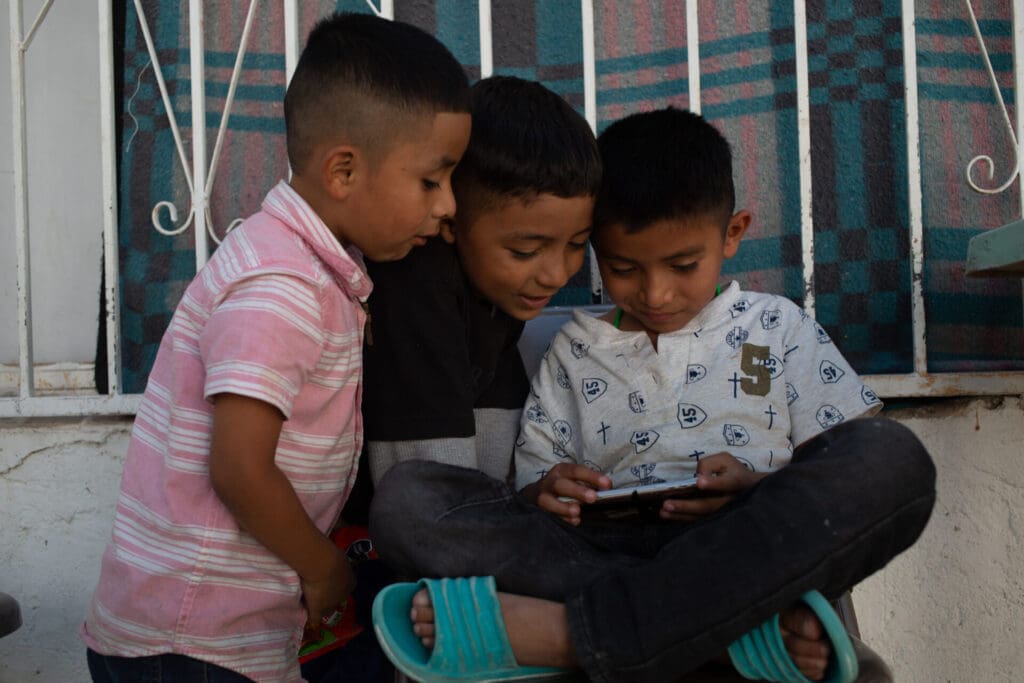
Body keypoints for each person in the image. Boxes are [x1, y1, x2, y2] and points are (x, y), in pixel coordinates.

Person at [368, 107, 936, 682]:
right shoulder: (574, 349)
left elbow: (834, 465)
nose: (656, 293)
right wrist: (551, 488)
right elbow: (533, 488)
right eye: (622, 268)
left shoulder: (776, 325)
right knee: (407, 500)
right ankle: (727, 634)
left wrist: (756, 487)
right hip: (600, 554)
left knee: (891, 458)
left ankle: (571, 635)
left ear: (733, 234)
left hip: (742, 546)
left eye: (683, 265)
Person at [81, 12, 471, 683]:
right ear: (343, 171)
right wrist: (324, 569)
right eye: (432, 181)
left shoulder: (301, 265)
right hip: (191, 641)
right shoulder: (282, 284)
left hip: (203, 635)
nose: (449, 207)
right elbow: (238, 467)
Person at [356, 74, 601, 488]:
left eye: (577, 244)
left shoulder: (498, 293)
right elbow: (425, 487)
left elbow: (494, 456)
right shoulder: (414, 285)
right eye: (525, 251)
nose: (557, 274)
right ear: (451, 220)